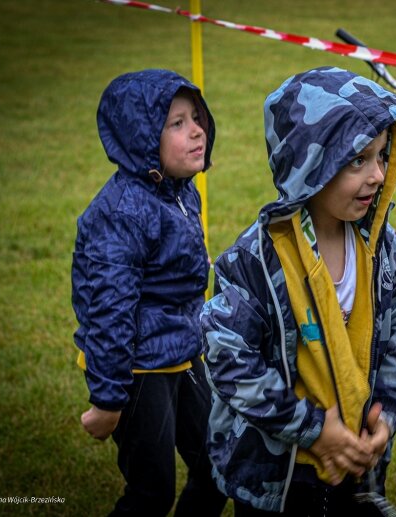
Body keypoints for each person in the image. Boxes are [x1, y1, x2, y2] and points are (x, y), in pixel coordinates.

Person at [200, 66, 396, 515]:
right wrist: (313, 428)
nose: (377, 175)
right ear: (309, 167)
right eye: (357, 160)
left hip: (355, 464)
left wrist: (387, 418)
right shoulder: (255, 261)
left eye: (381, 156)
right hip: (277, 476)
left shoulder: (384, 250)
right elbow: (230, 362)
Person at [71, 69, 227, 516]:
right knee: (150, 493)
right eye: (176, 123)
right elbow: (108, 311)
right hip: (136, 367)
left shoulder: (180, 190)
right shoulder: (120, 214)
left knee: (221, 465)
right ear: (142, 138)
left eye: (196, 118)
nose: (197, 130)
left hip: (181, 349)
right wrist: (107, 400)